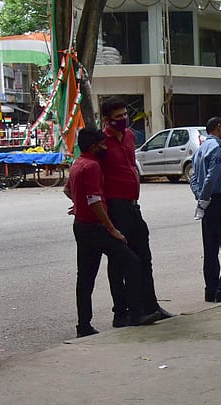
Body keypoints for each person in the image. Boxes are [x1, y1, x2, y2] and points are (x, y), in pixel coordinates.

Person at [66, 128, 161, 337]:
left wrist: (78, 204)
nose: (105, 148)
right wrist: (112, 228)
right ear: (93, 146)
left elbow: (68, 190)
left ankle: (84, 325)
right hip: (95, 227)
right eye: (102, 145)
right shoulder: (92, 166)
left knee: (85, 276)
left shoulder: (78, 164)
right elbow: (95, 200)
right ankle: (135, 313)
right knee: (131, 261)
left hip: (81, 225)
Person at [99, 97, 174, 327]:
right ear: (107, 120)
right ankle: (121, 312)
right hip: (115, 206)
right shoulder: (102, 142)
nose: (123, 120)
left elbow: (131, 165)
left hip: (132, 205)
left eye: (124, 115)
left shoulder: (130, 136)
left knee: (144, 258)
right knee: (120, 261)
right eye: (118, 117)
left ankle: (150, 305)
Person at [191, 116, 221, 303]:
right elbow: (212, 177)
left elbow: (193, 179)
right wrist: (204, 198)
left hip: (208, 205)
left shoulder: (200, 150)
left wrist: (200, 199)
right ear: (219, 127)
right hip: (220, 203)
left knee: (210, 249)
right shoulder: (217, 149)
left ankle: (211, 290)